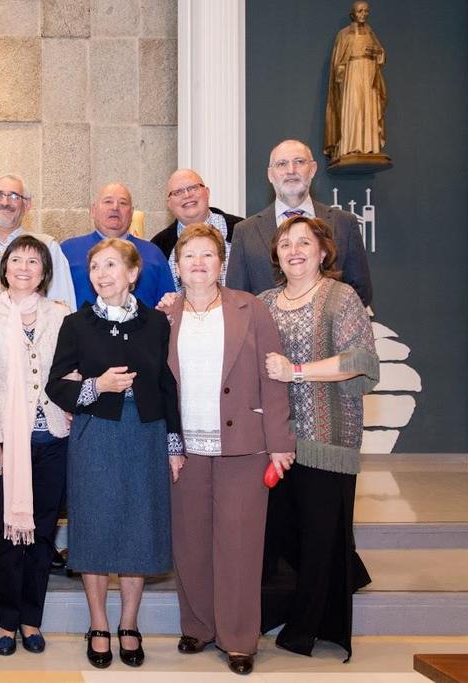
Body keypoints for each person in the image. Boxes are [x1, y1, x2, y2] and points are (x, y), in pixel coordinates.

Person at [159, 224, 295, 676]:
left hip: (244, 446)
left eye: (207, 255)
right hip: (186, 448)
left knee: (240, 543)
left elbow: (272, 377)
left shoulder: (250, 308)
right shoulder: (163, 316)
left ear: (222, 263)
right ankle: (197, 625)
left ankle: (238, 638)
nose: (198, 263)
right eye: (189, 256)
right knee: (190, 541)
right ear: (177, 267)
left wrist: (280, 442)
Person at [46, 238, 182, 669]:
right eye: (95, 268)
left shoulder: (157, 325)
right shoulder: (77, 323)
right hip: (95, 434)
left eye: (110, 265)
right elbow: (55, 385)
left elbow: (166, 385)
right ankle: (99, 623)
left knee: (139, 529)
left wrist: (173, 445)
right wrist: (95, 386)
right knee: (96, 529)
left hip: (145, 433)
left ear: (132, 273)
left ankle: (129, 623)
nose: (101, 274)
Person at [259, 216, 379, 660]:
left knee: (319, 535)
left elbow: (359, 360)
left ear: (323, 251)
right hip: (277, 439)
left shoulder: (341, 297)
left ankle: (309, 627)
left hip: (328, 438)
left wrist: (296, 372)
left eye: (303, 243)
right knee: (282, 534)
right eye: (285, 243)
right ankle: (278, 611)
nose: (294, 250)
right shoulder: (264, 301)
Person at [0, 236, 71, 656]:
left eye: (34, 261)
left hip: (53, 439)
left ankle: (32, 619)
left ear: (45, 271)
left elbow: (71, 372)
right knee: (12, 537)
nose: (25, 267)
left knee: (44, 535)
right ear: (5, 267)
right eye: (17, 259)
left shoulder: (61, 316)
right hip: (9, 444)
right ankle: (5, 623)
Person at [227, 139, 372, 306]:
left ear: (313, 169)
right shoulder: (245, 231)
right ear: (270, 175)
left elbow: (360, 292)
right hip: (267, 331)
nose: (291, 170)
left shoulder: (344, 223)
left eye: (299, 162)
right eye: (282, 164)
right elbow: (237, 300)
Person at [0, 174, 76, 309]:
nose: (5, 203)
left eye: (14, 196)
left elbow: (64, 306)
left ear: (27, 205)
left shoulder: (48, 247)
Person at [62, 182, 173, 309]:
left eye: (123, 203)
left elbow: (169, 306)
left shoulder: (153, 253)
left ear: (131, 213)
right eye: (108, 201)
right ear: (93, 211)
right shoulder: (68, 251)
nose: (115, 207)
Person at [151, 170, 243, 290]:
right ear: (169, 204)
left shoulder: (241, 229)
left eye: (193, 188)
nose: (187, 195)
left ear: (207, 192)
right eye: (178, 192)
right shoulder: (158, 247)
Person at [324, 1, 387, 162]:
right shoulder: (344, 34)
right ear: (353, 14)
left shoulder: (370, 33)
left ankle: (369, 146)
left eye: (366, 11)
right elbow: (338, 61)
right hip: (352, 76)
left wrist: (378, 53)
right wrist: (341, 73)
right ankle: (351, 146)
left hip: (369, 75)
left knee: (369, 108)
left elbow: (381, 55)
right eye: (360, 11)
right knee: (354, 108)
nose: (363, 14)